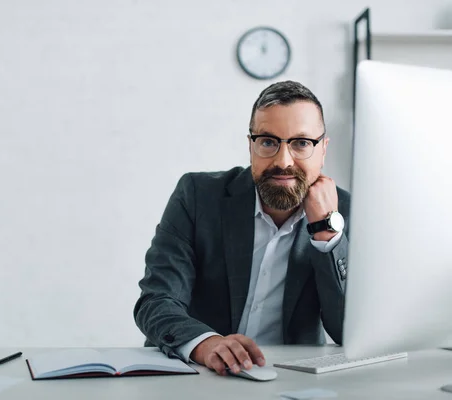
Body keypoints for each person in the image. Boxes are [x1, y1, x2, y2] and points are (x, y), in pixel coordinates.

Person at [133, 81, 350, 377]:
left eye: (301, 143)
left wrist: (326, 232)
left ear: (323, 150)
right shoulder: (197, 196)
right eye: (268, 141)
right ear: (251, 146)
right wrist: (205, 344)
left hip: (290, 380)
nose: (283, 161)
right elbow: (156, 301)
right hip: (197, 375)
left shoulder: (347, 213)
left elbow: (347, 331)